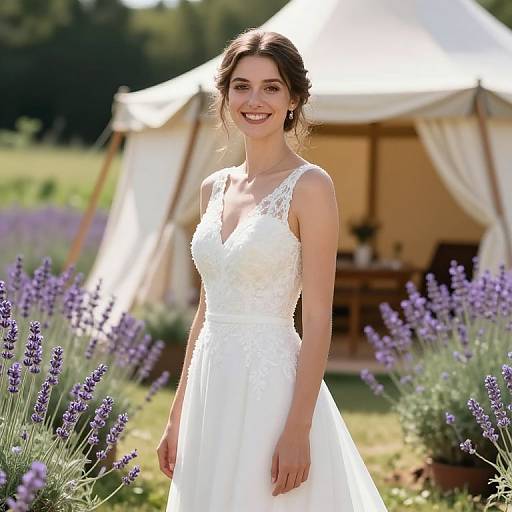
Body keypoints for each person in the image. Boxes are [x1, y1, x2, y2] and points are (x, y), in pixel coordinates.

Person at [158, 28, 388, 511]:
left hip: (271, 390)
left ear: (294, 99)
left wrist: (299, 428)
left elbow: (320, 319)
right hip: (209, 383)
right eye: (241, 86)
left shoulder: (310, 188)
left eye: (271, 87)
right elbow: (205, 309)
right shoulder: (212, 188)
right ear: (225, 95)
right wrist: (177, 413)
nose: (254, 100)